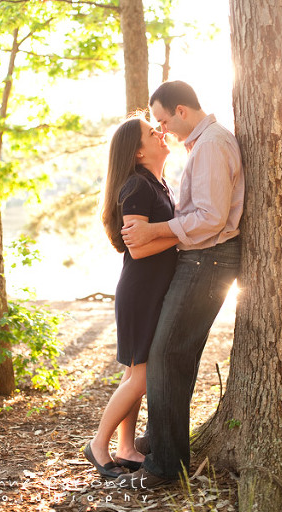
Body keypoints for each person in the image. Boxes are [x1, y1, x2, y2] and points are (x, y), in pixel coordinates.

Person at [116, 80, 244, 488]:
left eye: (164, 120)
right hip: (201, 258)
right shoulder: (202, 146)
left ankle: (166, 466)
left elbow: (209, 218)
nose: (163, 129)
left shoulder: (210, 145)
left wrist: (155, 231)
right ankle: (160, 441)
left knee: (167, 353)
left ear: (182, 112)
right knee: (175, 354)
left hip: (209, 259)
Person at [84, 115, 178, 479]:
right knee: (142, 376)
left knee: (134, 374)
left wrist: (177, 232)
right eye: (152, 132)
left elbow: (152, 237)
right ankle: (98, 444)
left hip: (148, 291)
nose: (161, 132)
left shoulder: (155, 183)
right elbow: (137, 248)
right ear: (139, 151)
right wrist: (186, 234)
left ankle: (125, 448)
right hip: (141, 293)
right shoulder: (138, 186)